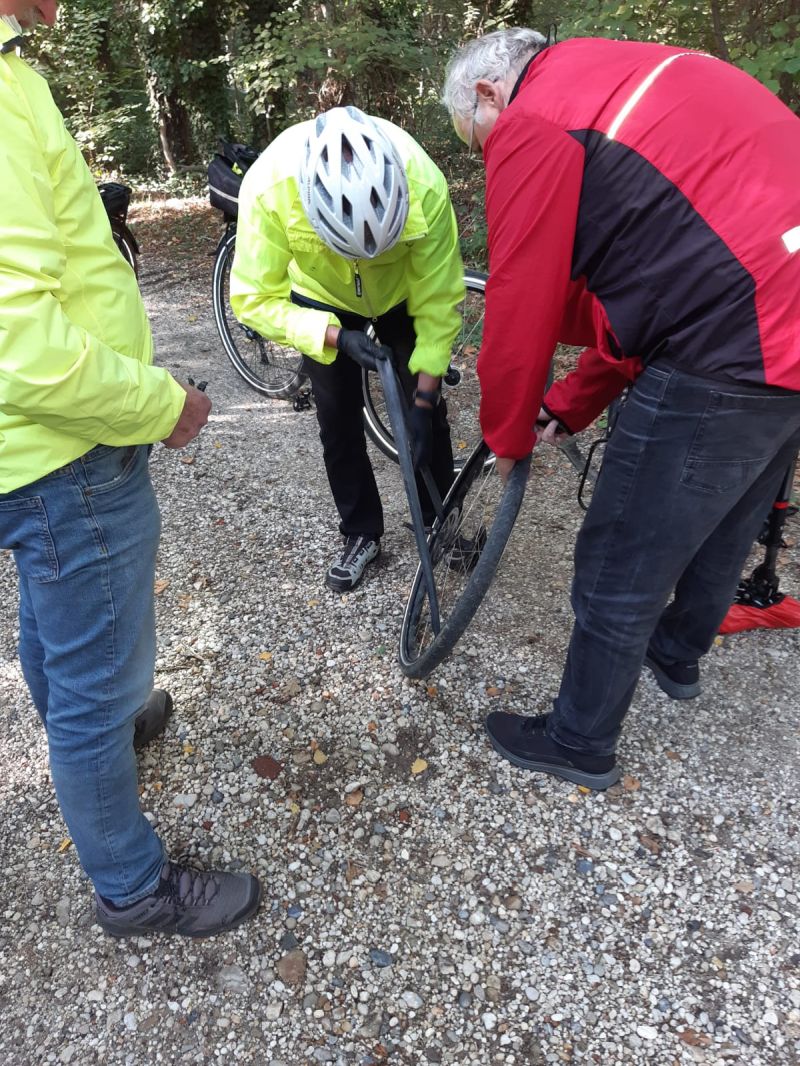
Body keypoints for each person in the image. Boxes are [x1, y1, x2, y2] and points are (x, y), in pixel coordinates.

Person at [443, 28, 800, 789]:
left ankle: (579, 740)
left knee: (620, 555)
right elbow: (650, 298)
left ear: (488, 94)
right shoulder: (615, 81)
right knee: (729, 515)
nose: (486, 158)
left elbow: (520, 303)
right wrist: (569, 405)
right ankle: (675, 655)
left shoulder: (537, 117)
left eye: (478, 143)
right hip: (776, 318)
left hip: (731, 331)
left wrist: (507, 432)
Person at [0, 2, 261, 934]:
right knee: (95, 678)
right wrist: (164, 407)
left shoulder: (13, 69)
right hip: (62, 452)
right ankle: (132, 887)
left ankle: (101, 739)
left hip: (30, 455)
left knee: (56, 624)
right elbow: (18, 344)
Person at [230, 106, 465, 592]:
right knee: (337, 417)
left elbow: (439, 301)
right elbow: (252, 299)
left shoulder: (424, 182)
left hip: (400, 292)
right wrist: (333, 336)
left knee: (427, 411)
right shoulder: (270, 188)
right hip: (322, 295)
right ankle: (361, 531)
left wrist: (423, 400)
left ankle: (440, 521)